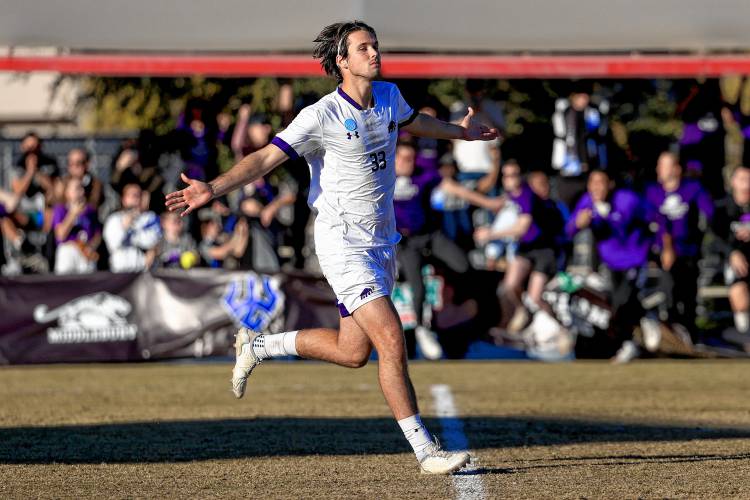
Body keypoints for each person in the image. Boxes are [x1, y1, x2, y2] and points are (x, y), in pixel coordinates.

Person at [166, 20, 498, 474]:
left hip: (382, 243)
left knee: (353, 352)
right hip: (342, 243)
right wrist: (214, 188)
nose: (374, 53)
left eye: (375, 46)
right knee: (391, 339)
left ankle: (260, 346)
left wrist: (459, 133)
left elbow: (414, 122)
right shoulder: (319, 115)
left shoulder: (388, 96)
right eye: (363, 48)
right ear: (341, 61)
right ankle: (426, 451)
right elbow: (265, 157)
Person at [393, 141, 502, 359]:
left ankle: (463, 315)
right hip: (406, 242)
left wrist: (489, 204)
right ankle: (422, 329)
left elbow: (455, 189)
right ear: (394, 158)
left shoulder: (424, 175)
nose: (408, 163)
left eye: (412, 158)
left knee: (462, 265)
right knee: (418, 287)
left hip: (430, 236)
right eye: (403, 158)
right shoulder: (383, 177)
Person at [566, 170, 663, 363]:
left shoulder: (627, 200)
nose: (596, 187)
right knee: (615, 303)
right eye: (592, 183)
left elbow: (654, 218)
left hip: (634, 258)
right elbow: (569, 230)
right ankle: (643, 318)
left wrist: (659, 247)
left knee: (622, 300)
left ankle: (630, 340)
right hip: (610, 262)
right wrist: (578, 224)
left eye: (601, 182)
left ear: (610, 184)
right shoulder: (587, 202)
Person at [474, 160, 558, 333]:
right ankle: (522, 312)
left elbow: (522, 227)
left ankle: (560, 329)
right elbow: (493, 203)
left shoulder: (527, 195)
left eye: (513, 175)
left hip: (543, 250)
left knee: (536, 297)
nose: (509, 180)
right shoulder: (513, 196)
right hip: (526, 249)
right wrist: (459, 191)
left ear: (520, 177)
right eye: (506, 176)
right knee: (509, 286)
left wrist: (490, 234)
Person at [643, 152, 713, 338]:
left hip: (688, 251)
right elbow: (655, 221)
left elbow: (710, 213)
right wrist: (666, 248)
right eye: (659, 165)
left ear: (676, 169)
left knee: (689, 294)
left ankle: (691, 335)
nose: (659, 169)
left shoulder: (693, 189)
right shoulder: (652, 192)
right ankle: (673, 334)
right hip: (664, 254)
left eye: (664, 165)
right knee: (669, 292)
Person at [713, 166, 750, 336]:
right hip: (735, 261)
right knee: (740, 298)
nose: (746, 184)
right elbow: (715, 237)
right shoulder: (722, 207)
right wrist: (732, 253)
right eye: (742, 180)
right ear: (733, 182)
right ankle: (745, 336)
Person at [103, 183, 162, 272]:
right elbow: (114, 244)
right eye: (132, 195)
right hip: (121, 271)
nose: (136, 198)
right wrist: (124, 227)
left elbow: (153, 240)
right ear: (124, 199)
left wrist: (132, 238)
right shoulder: (114, 219)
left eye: (138, 195)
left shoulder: (149, 217)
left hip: (144, 271)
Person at [51, 177, 101, 274]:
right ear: (67, 192)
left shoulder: (90, 211)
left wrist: (91, 247)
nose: (81, 192)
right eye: (77, 188)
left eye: (82, 188)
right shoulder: (61, 210)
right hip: (68, 251)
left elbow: (97, 234)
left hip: (86, 253)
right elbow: (60, 235)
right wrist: (72, 214)